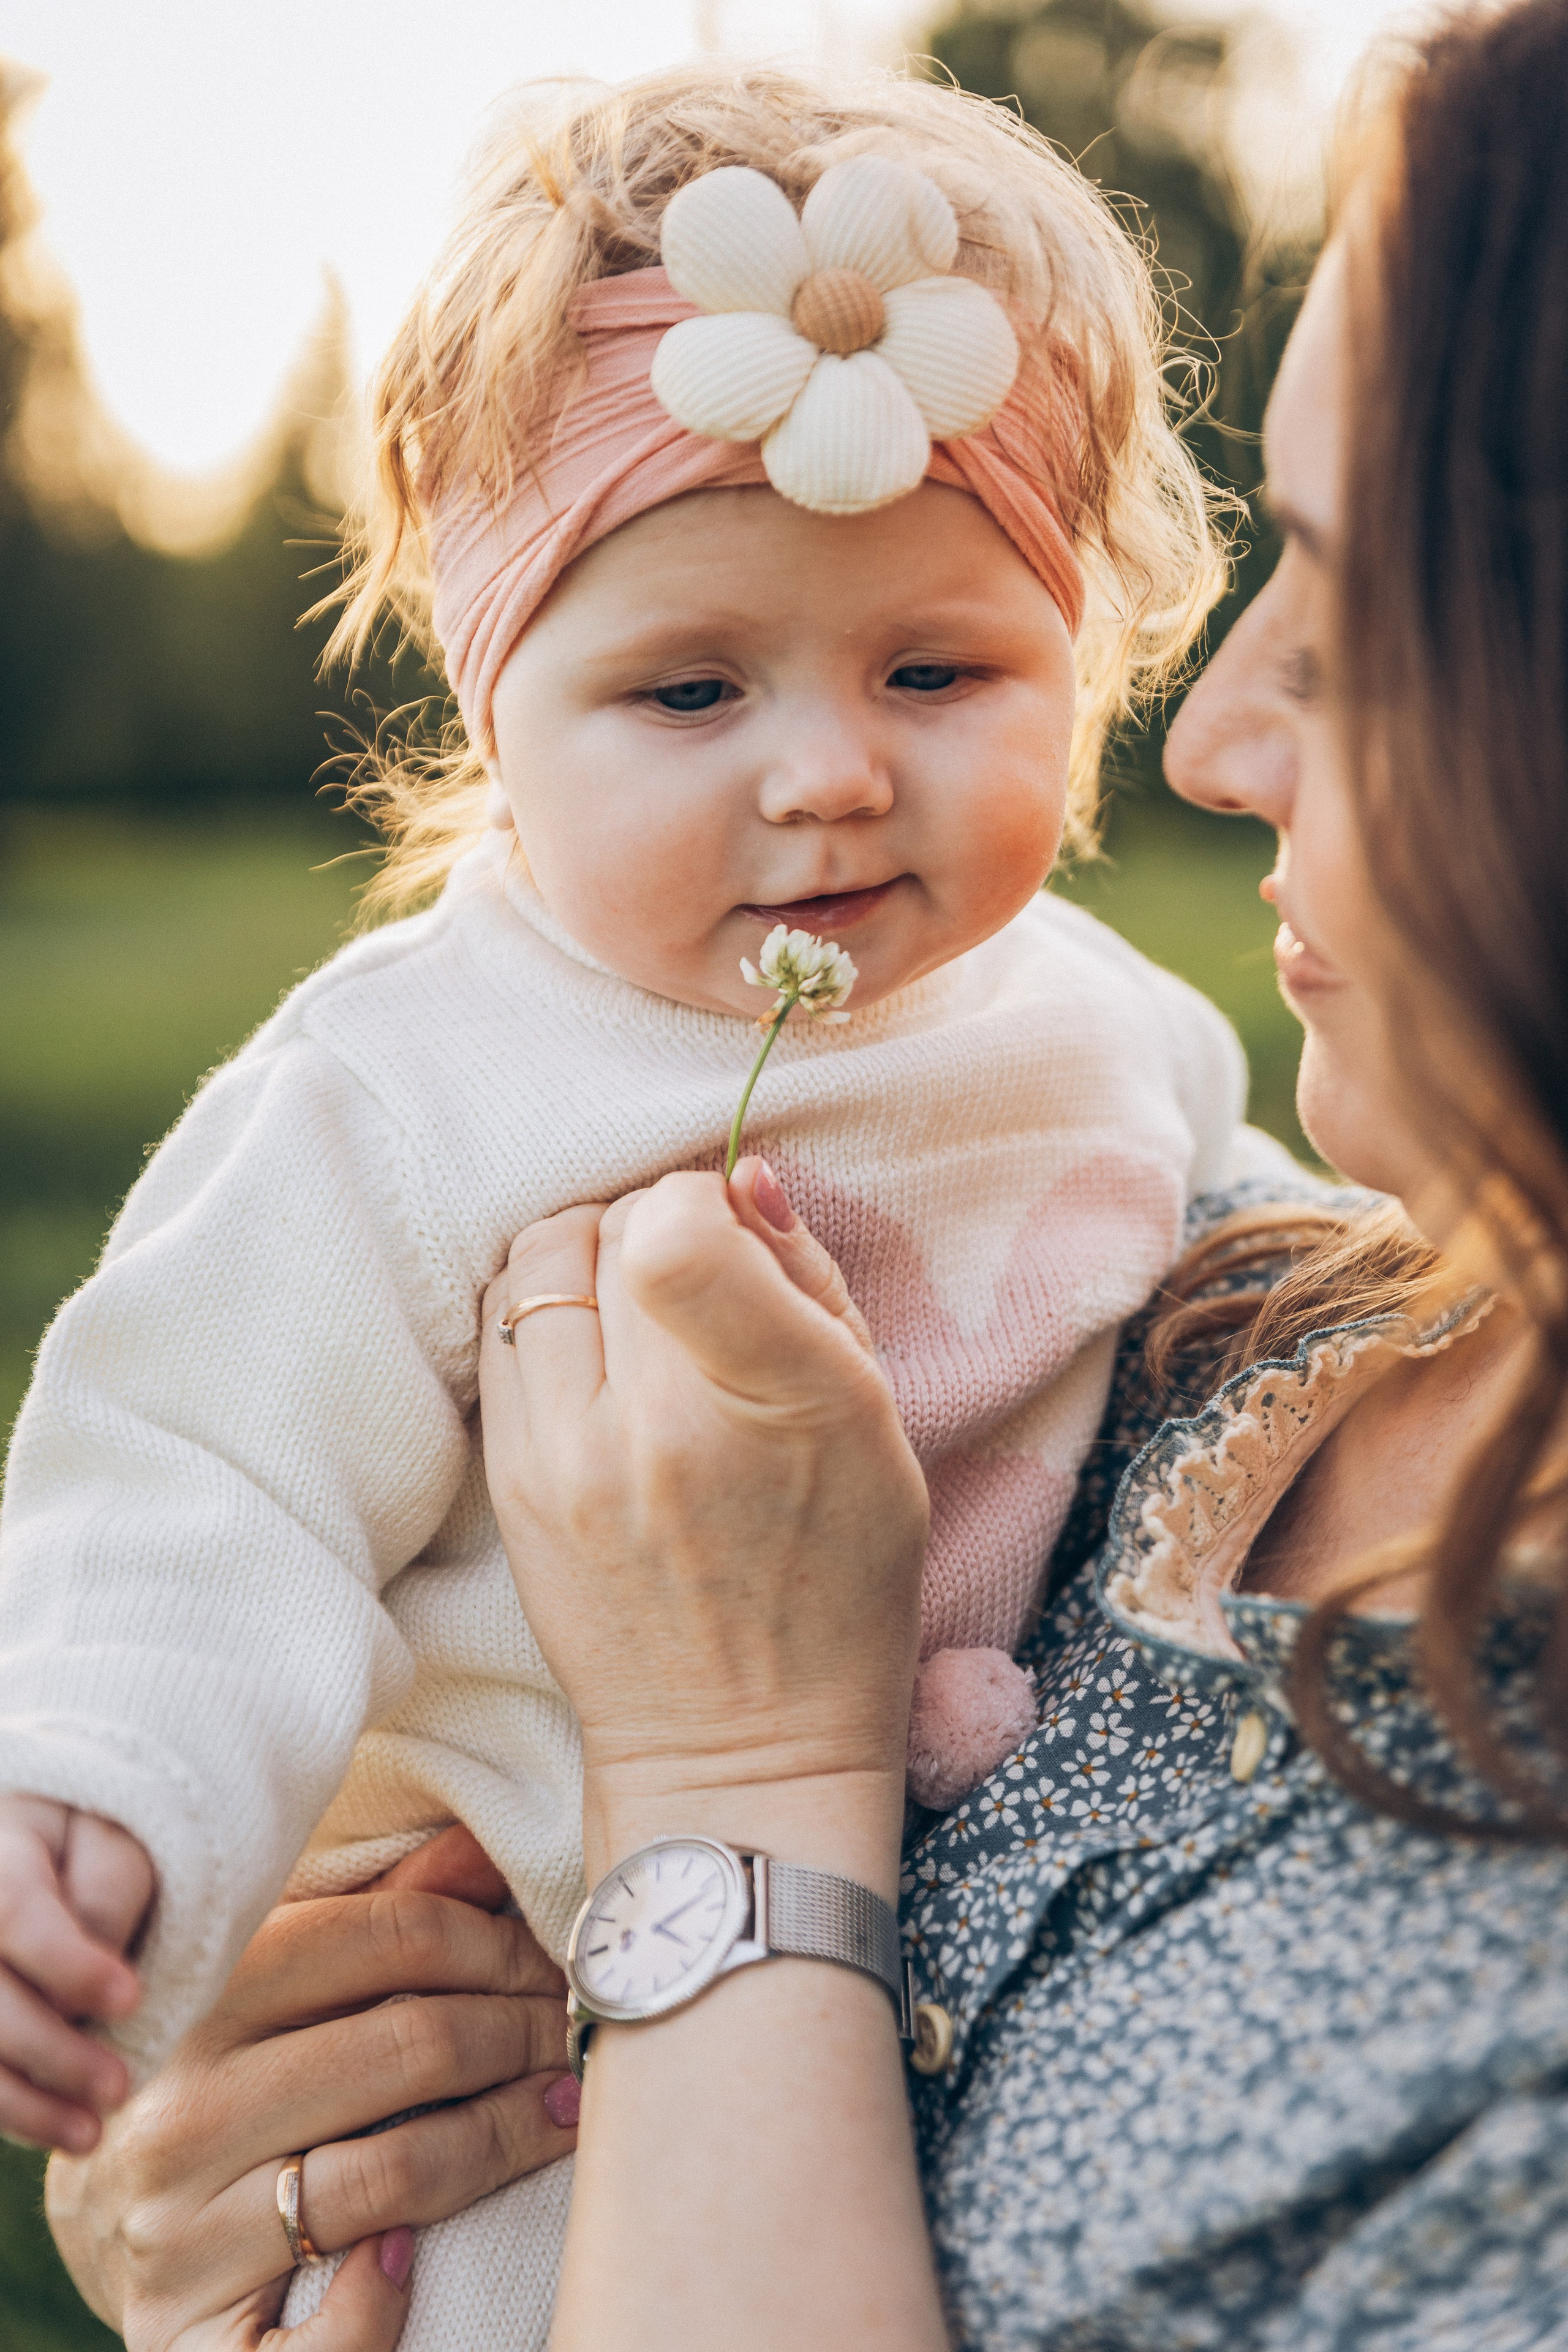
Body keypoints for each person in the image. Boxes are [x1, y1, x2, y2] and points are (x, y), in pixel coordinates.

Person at [37, 0, 1568, 2343]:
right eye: (690, 695)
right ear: (495, 704)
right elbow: (192, 1480)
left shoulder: (1094, 1023)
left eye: (940, 676)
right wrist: (97, 1814)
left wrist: (745, 1757)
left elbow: (1199, 1203)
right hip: (505, 2021)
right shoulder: (414, 1088)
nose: (832, 780)